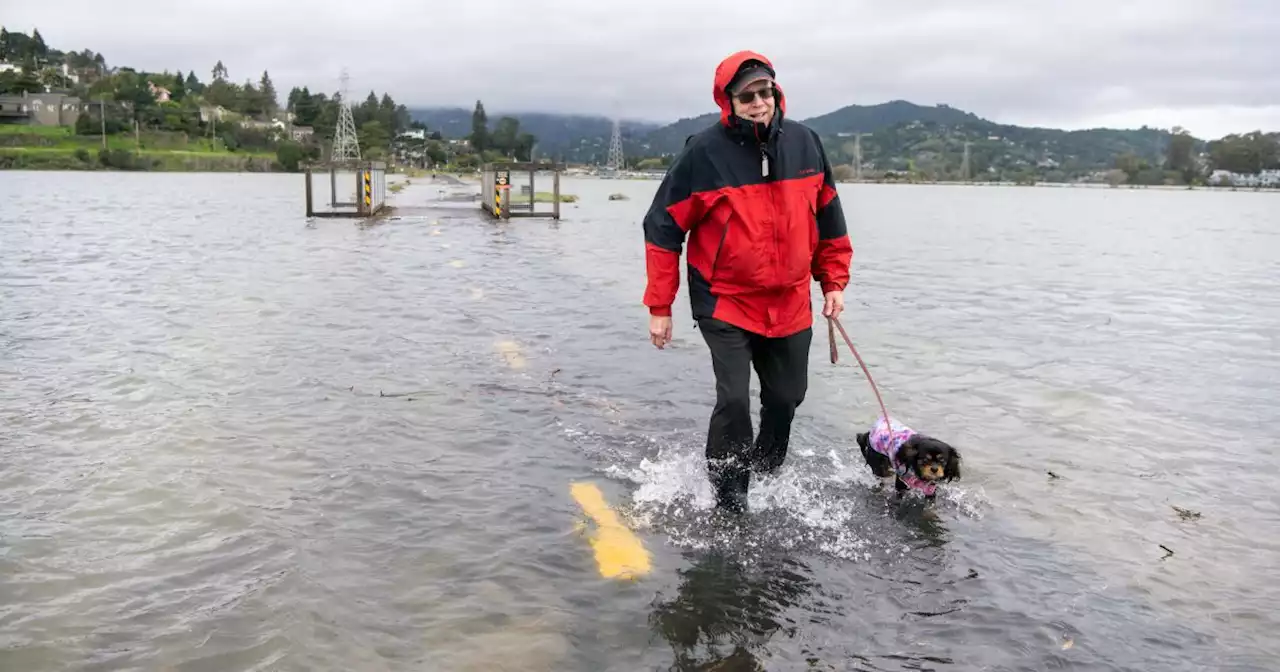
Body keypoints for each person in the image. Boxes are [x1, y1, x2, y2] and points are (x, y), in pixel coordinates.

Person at [641, 50, 853, 512]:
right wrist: (661, 308)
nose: (759, 103)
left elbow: (829, 218)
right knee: (735, 400)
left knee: (787, 397)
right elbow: (662, 227)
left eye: (766, 92)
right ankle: (728, 496)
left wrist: (833, 282)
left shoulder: (806, 142)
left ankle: (766, 474)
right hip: (725, 300)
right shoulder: (703, 151)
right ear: (728, 101)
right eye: (747, 96)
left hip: (791, 300)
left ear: (777, 92)